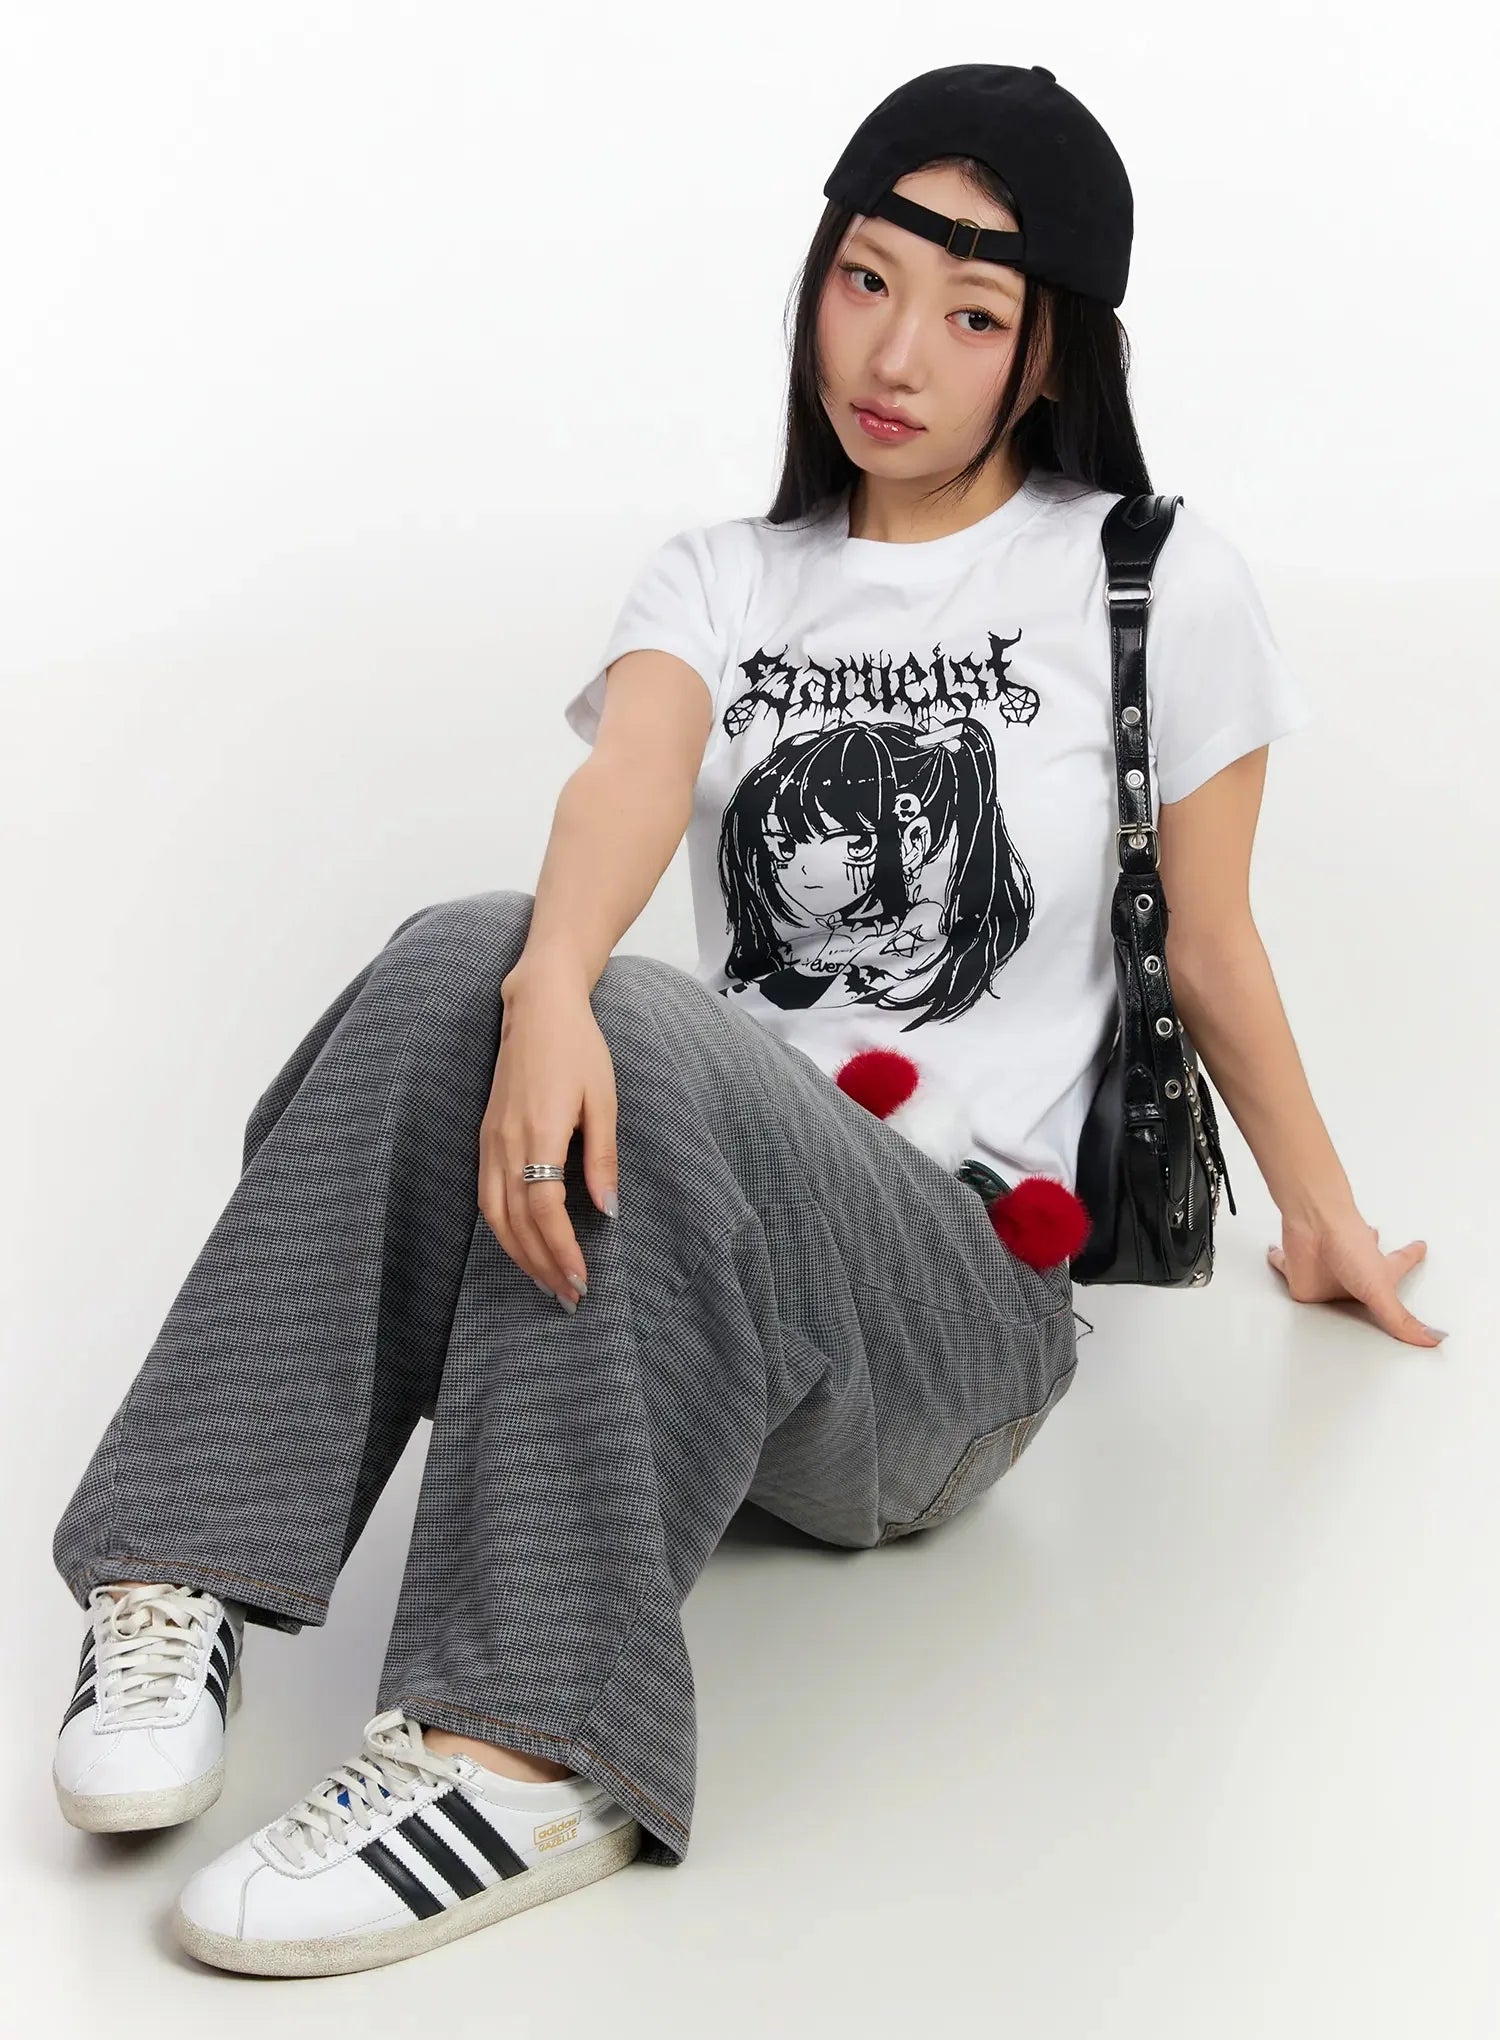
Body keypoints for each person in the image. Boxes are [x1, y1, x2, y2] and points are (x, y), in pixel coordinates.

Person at [48, 62, 1443, 1983]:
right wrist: (548, 984)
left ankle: (527, 1749)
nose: (896, 356)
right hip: (696, 1290)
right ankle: (184, 1569)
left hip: (952, 1317)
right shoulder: (726, 573)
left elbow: (1209, 944)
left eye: (970, 316)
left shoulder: (1151, 576)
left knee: (617, 1012)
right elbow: (629, 779)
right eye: (864, 283)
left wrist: (1326, 1219)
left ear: (1046, 355)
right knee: (470, 947)